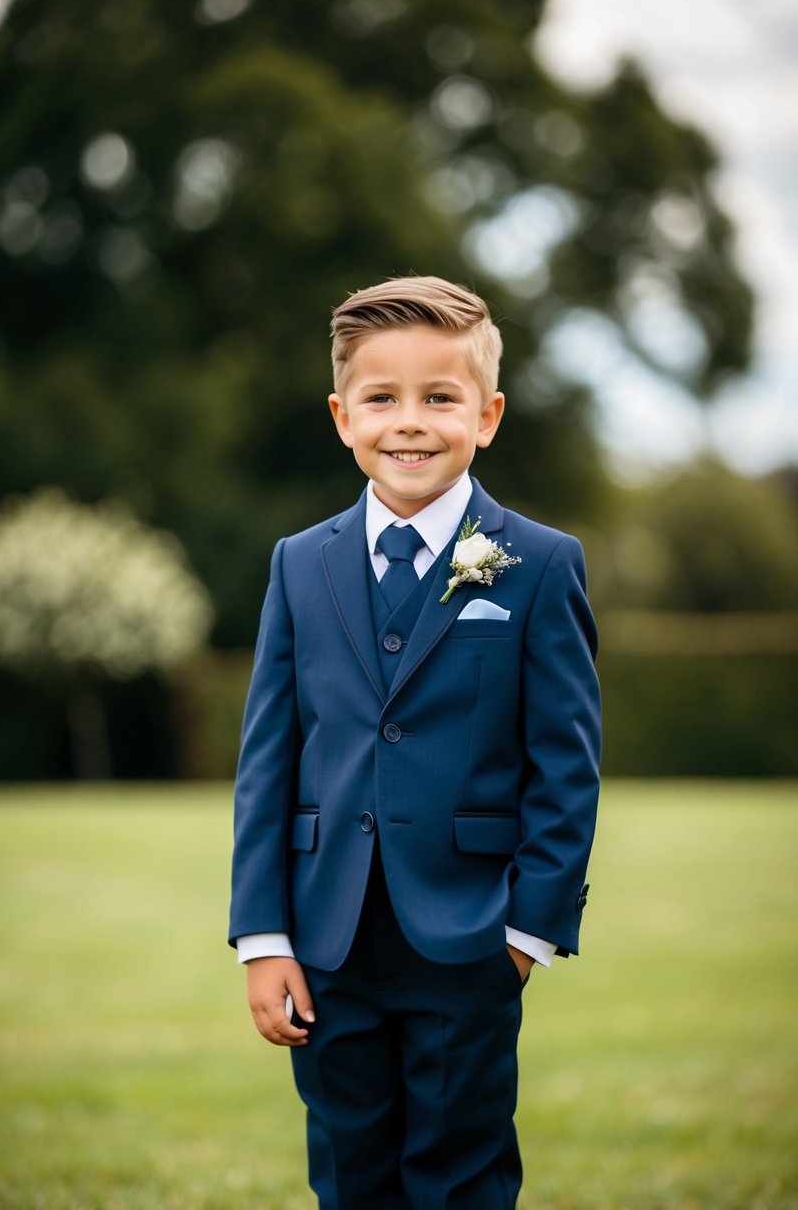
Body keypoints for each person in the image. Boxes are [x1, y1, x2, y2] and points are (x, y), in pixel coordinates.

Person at [228, 275, 601, 1209]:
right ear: (341, 416)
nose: (410, 422)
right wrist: (262, 936)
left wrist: (527, 932)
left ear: (488, 415)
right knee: (350, 1174)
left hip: (471, 936)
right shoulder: (298, 563)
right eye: (381, 398)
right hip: (326, 942)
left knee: (460, 1174)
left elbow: (567, 762)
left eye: (440, 397)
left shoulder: (539, 562)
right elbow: (269, 758)